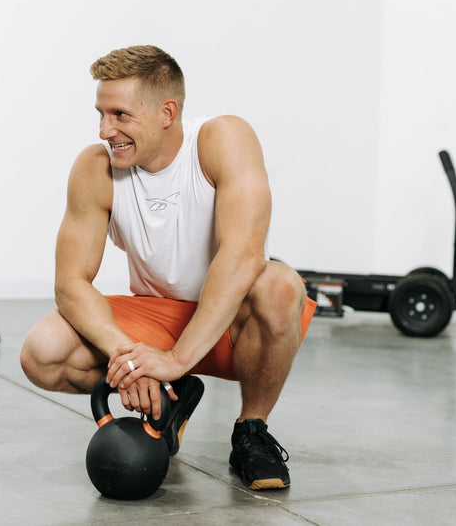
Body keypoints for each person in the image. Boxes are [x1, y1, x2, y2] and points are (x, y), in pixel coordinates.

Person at [20, 45, 317, 490]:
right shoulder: (95, 168)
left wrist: (177, 360)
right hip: (158, 314)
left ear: (167, 112)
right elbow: (71, 283)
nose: (105, 130)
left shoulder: (223, 139)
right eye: (101, 114)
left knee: (279, 285)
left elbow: (243, 256)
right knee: (42, 352)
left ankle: (251, 432)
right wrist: (130, 360)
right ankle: (168, 398)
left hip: (232, 323)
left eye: (120, 114)